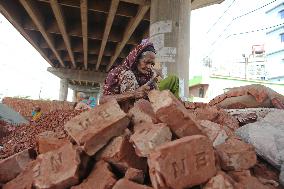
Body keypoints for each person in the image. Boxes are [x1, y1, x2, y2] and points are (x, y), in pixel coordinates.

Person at [102, 39, 179, 101]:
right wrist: (133, 94)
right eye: (146, 62)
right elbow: (103, 99)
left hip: (145, 110)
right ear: (136, 60)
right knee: (128, 74)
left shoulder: (149, 74)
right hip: (122, 110)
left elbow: (155, 94)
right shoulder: (118, 72)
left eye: (152, 64)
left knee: (173, 79)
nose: (149, 66)